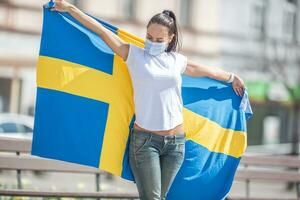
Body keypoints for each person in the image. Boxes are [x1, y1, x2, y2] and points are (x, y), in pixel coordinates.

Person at [48, 1, 246, 199]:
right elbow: (101, 31)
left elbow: (206, 71)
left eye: (159, 39)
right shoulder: (134, 55)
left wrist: (231, 77)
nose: (152, 42)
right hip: (145, 143)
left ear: (170, 38)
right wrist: (70, 9)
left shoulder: (176, 61)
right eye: (149, 37)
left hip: (176, 145)